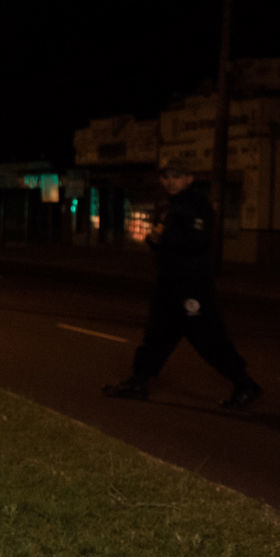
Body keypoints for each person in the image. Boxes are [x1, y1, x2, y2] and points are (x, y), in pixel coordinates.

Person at [103, 162, 262, 409]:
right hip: (169, 283)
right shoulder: (170, 205)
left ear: (189, 178)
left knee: (209, 339)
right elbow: (164, 241)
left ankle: (245, 385)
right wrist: (153, 239)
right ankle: (138, 381)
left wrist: (165, 238)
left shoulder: (196, 204)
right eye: (166, 177)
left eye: (177, 177)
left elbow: (197, 241)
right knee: (156, 336)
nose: (170, 182)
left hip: (192, 286)